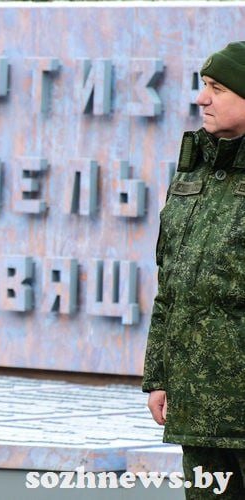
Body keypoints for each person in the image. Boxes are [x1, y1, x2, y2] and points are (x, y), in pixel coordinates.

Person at [142, 41, 245, 499]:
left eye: (217, 88)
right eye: (204, 86)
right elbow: (171, 284)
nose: (202, 99)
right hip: (199, 405)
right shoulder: (193, 172)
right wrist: (159, 377)